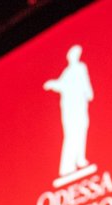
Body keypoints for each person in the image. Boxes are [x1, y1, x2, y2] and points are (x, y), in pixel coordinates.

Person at [43, 45, 94, 178]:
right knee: (72, 133)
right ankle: (68, 166)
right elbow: (62, 85)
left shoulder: (81, 67)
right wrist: (53, 84)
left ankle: (80, 159)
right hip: (70, 108)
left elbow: (85, 81)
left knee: (82, 129)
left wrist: (89, 93)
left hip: (80, 104)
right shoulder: (67, 72)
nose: (75, 56)